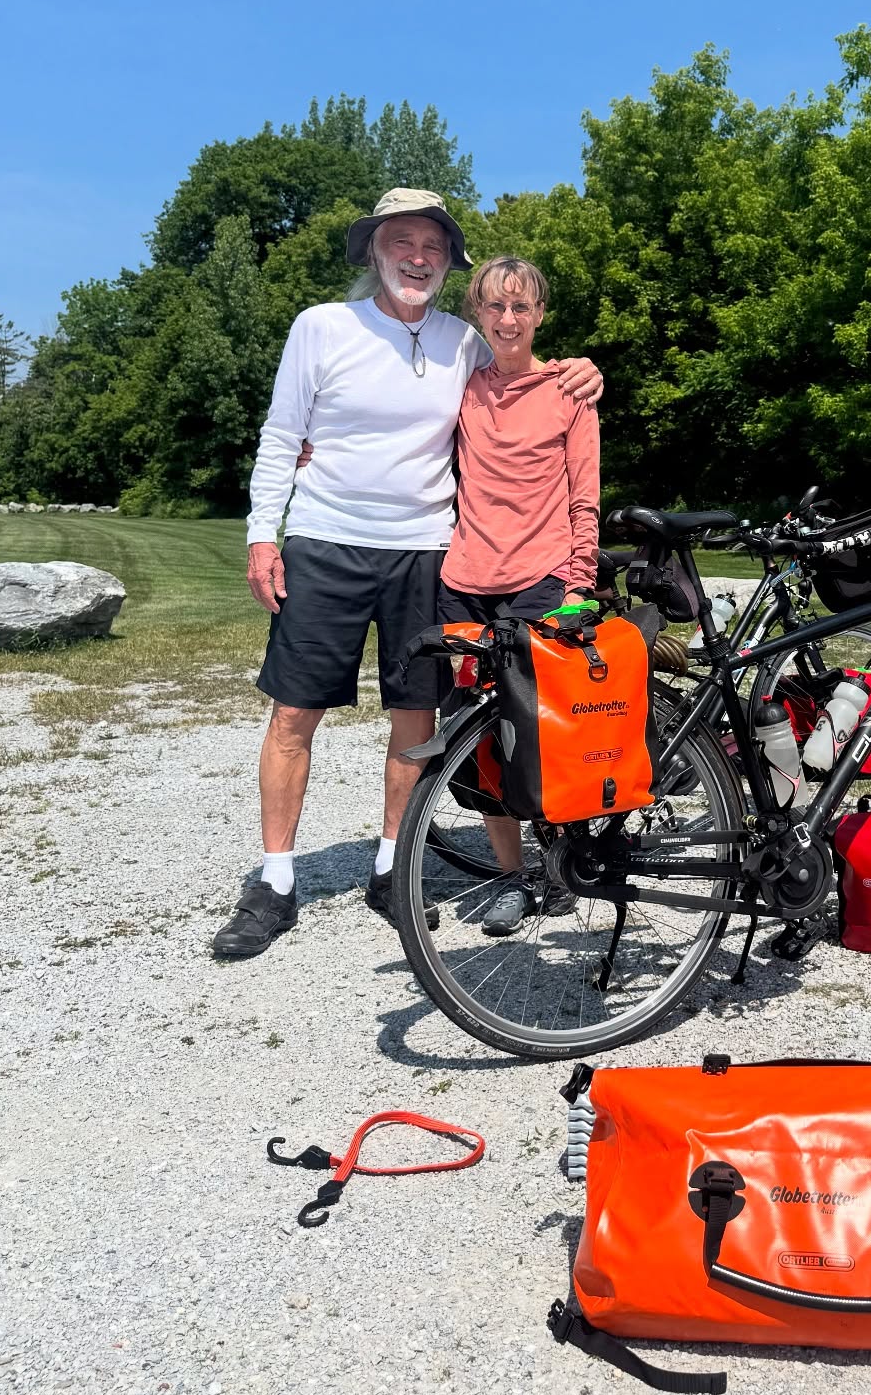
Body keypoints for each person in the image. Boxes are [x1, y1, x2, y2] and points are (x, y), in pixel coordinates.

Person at [211, 190, 601, 960]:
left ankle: (395, 869)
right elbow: (282, 435)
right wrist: (265, 534)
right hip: (325, 540)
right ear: (374, 252)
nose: (417, 256)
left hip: (427, 548)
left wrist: (584, 369)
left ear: (445, 261)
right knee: (294, 715)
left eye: (431, 245)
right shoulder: (321, 326)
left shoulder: (463, 341)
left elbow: (530, 372)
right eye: (402, 242)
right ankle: (277, 880)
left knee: (415, 718)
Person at [436, 254, 600, 935]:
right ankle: (511, 877)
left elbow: (584, 497)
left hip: (539, 585)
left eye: (521, 306)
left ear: (540, 315)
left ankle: (564, 860)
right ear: (478, 314)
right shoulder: (461, 390)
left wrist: (579, 586)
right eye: (495, 306)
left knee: (545, 739)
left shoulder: (570, 390)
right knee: (480, 746)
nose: (508, 318)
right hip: (462, 587)